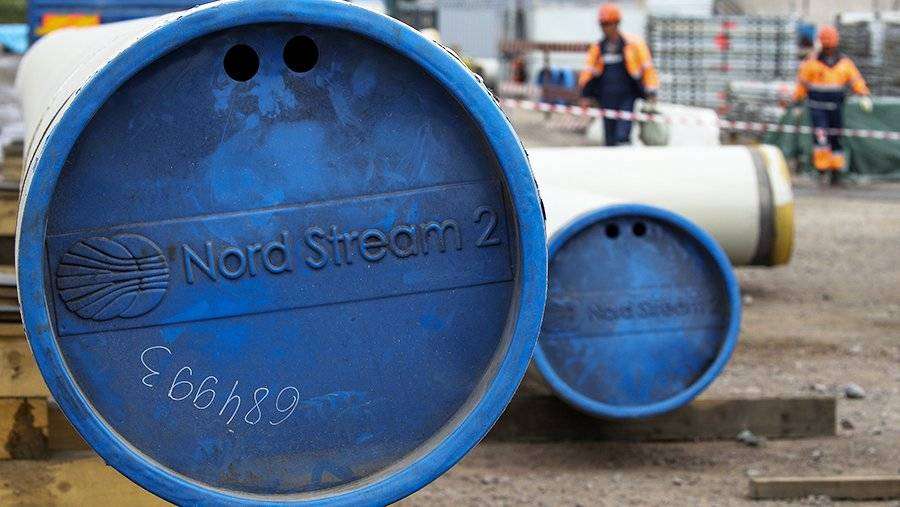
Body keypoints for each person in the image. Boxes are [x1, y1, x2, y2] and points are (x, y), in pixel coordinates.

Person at [792, 25, 872, 184]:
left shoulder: (844, 63)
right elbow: (801, 84)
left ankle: (836, 170)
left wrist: (863, 94)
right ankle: (822, 170)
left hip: (836, 107)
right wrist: (797, 102)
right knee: (821, 138)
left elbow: (855, 80)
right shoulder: (811, 63)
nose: (828, 47)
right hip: (817, 107)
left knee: (836, 137)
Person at [578, 3, 659, 146]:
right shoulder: (598, 48)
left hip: (627, 96)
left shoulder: (633, 45)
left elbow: (647, 69)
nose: (605, 28)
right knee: (609, 139)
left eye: (607, 24)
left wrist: (651, 91)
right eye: (602, 24)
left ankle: (624, 154)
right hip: (605, 98)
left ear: (617, 23)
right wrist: (585, 95)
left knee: (622, 135)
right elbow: (589, 73)